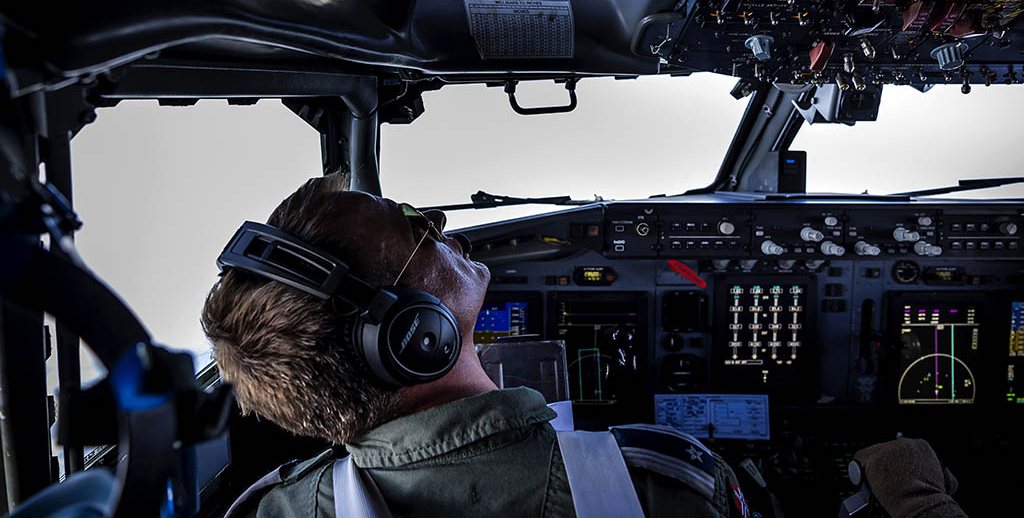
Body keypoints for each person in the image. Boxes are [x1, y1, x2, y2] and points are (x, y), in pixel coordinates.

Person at [201, 172, 965, 518]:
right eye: (416, 227)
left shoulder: (272, 509)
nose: (444, 226)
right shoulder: (663, 483)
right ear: (414, 334)